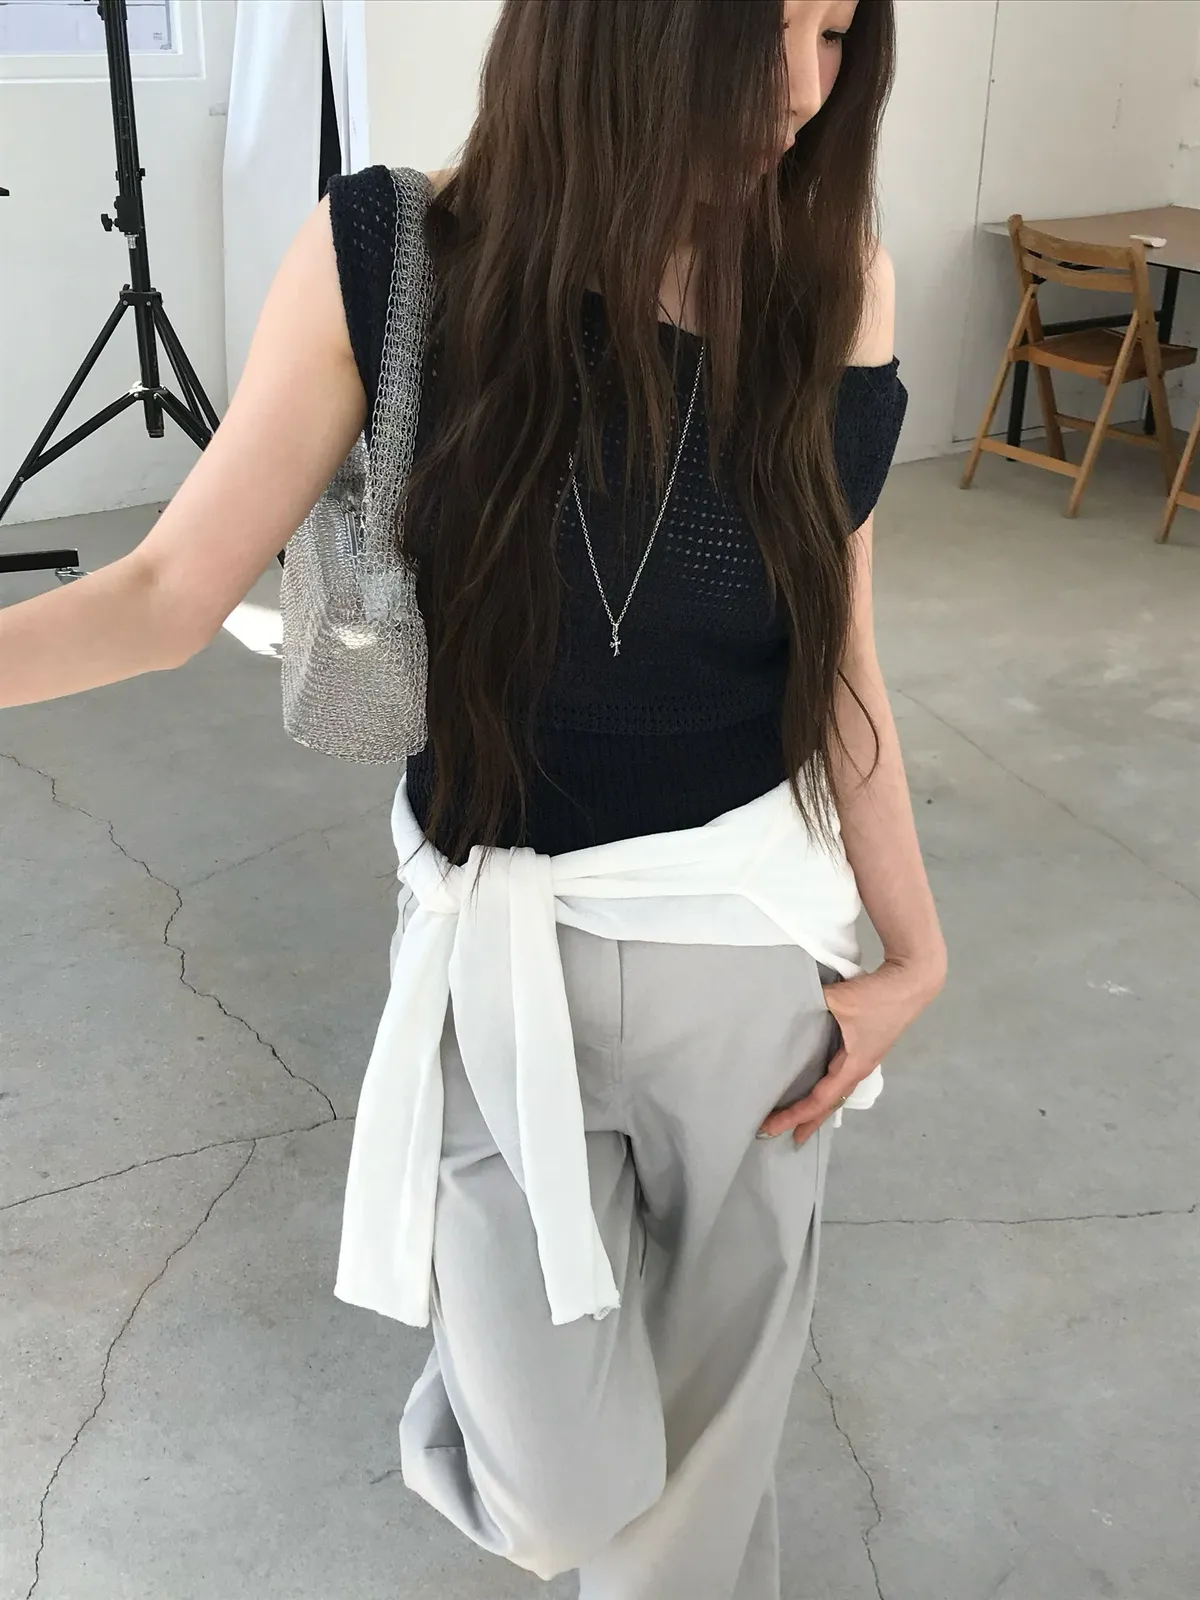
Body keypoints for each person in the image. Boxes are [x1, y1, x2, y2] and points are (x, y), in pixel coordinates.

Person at [0, 1, 946, 1595]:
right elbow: (165, 593)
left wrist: (915, 953)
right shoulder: (394, 260)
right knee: (566, 1496)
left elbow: (842, 660)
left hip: (751, 953)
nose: (803, 88)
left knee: (706, 1496)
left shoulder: (832, 279)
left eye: (839, 32)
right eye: (764, 28)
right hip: (499, 960)